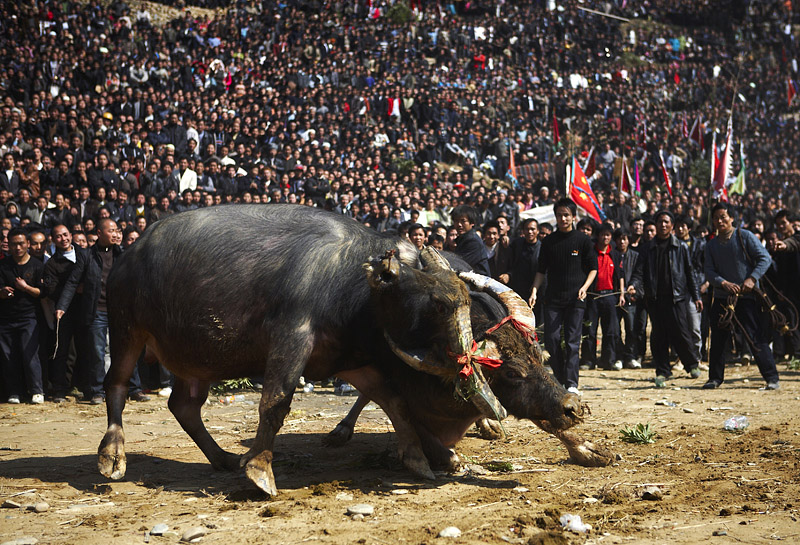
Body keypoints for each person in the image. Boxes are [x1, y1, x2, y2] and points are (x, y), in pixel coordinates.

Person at [56, 218, 150, 404]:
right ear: (99, 233)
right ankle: (98, 391)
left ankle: (134, 389)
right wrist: (62, 306)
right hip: (96, 311)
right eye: (111, 230)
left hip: (120, 312)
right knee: (97, 353)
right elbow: (73, 282)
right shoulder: (86, 255)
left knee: (126, 351)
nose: (115, 234)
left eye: (117, 230)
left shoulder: (123, 254)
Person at [703, 203, 780, 390]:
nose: (720, 221)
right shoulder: (711, 245)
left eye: (723, 217)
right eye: (716, 218)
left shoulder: (744, 236)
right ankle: (715, 378)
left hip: (747, 297)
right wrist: (723, 283)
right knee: (719, 339)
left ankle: (771, 377)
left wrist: (752, 279)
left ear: (731, 218)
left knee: (755, 336)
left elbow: (765, 258)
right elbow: (709, 271)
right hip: (723, 298)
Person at [530, 198, 597, 396]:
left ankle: (571, 382)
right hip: (552, 299)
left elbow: (593, 268)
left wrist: (585, 287)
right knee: (551, 340)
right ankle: (559, 378)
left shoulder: (583, 240)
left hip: (576, 299)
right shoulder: (549, 242)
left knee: (572, 341)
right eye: (560, 215)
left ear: (573, 217)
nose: (563, 218)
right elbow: (541, 270)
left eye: (567, 215)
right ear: (555, 217)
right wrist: (534, 290)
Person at [629, 210, 702, 388]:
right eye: (660, 222)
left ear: (672, 225)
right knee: (658, 336)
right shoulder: (647, 248)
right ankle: (662, 371)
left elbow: (689, 272)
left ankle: (691, 364)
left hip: (677, 297)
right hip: (655, 299)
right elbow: (639, 272)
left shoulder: (681, 247)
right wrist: (633, 285)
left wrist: (696, 296)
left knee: (681, 332)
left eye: (666, 222)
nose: (663, 225)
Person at [0, 228, 45, 403]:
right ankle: (14, 392)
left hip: (29, 317)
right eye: (13, 244)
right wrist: (2, 292)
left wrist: (25, 288)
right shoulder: (3, 266)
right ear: (8, 246)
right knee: (8, 356)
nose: (17, 247)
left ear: (27, 244)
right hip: (5, 318)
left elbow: (42, 293)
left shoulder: (37, 265)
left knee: (30, 354)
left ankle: (36, 390)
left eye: (20, 243)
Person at [41, 225, 82, 402]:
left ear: (71, 235)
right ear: (53, 240)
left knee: (84, 351)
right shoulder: (51, 264)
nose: (63, 239)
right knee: (63, 352)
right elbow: (51, 289)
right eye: (58, 236)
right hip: (63, 313)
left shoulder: (84, 255)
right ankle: (59, 389)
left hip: (85, 311)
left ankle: (81, 386)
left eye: (65, 235)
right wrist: (74, 290)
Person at [580, 223, 625, 371]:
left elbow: (621, 275)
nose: (605, 237)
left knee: (611, 331)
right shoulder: (591, 253)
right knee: (590, 330)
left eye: (608, 235)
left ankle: (608, 360)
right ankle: (588, 360)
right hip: (593, 296)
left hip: (610, 296)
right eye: (602, 234)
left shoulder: (615, 254)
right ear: (597, 236)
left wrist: (622, 294)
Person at [613, 229, 641, 369]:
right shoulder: (612, 255)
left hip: (631, 298)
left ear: (628, 240)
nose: (621, 241)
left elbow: (638, 274)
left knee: (631, 329)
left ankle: (630, 356)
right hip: (614, 298)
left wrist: (633, 286)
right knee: (616, 329)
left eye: (624, 238)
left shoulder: (635, 256)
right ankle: (619, 357)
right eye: (619, 239)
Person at [450, 205, 490, 276]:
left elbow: (459, 264)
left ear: (472, 223)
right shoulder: (462, 238)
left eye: (463, 221)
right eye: (456, 221)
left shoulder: (473, 241)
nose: (459, 225)